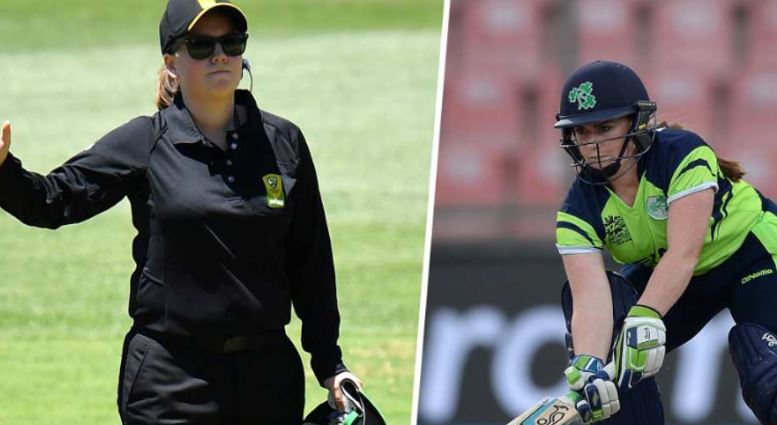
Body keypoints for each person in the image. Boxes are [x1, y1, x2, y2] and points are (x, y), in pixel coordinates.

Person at [0, 0, 362, 423]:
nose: (220, 55)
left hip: (268, 380)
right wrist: (4, 170)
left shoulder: (283, 142)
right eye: (202, 45)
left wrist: (330, 363)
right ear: (172, 62)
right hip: (171, 381)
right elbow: (54, 200)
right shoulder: (145, 142)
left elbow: (311, 261)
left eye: (231, 41)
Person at [553, 60, 777, 425]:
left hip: (752, 256)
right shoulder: (575, 211)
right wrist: (590, 365)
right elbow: (592, 299)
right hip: (678, 277)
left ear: (636, 123)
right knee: (615, 351)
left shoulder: (682, 155)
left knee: (767, 371)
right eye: (581, 132)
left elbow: (684, 253)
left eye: (605, 128)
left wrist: (646, 315)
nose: (592, 144)